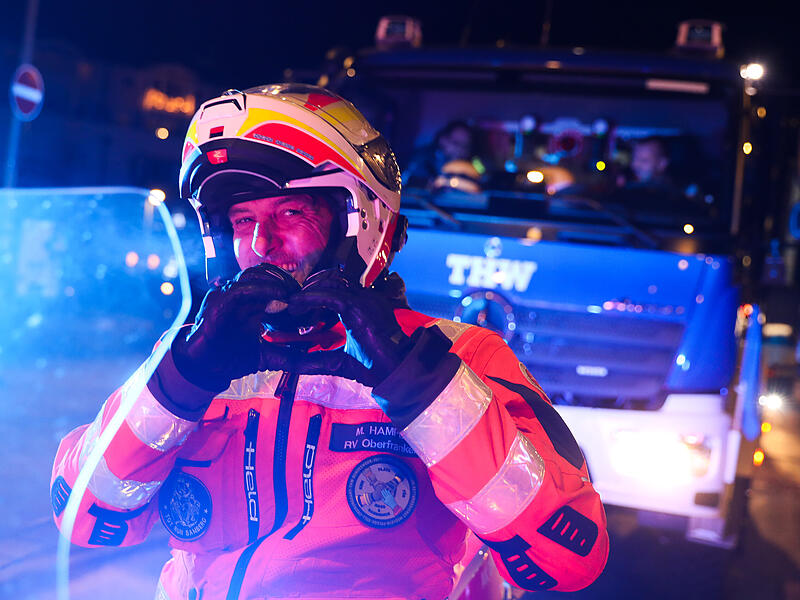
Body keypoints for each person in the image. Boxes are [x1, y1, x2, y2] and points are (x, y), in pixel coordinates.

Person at [51, 84, 608, 600]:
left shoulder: (461, 357)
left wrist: (420, 388)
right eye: (242, 221)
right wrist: (181, 384)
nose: (261, 244)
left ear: (360, 223)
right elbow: (86, 519)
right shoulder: (199, 354)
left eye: (292, 212)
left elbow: (568, 555)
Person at [403, 120, 480, 189]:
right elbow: (406, 180)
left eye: (465, 146)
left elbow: (482, 176)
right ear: (443, 139)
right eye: (456, 143)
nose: (460, 150)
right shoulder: (422, 157)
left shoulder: (472, 161)